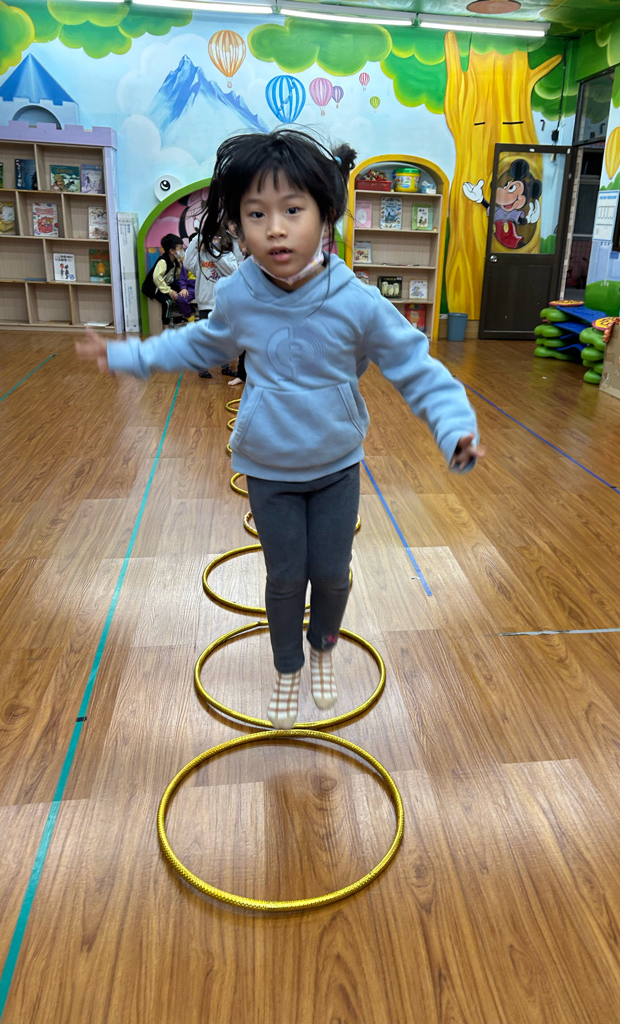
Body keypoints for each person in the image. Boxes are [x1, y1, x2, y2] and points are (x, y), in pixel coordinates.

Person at [77, 128, 482, 730]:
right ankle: (288, 666)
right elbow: (199, 344)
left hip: (336, 467)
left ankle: (323, 648)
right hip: (269, 469)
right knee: (286, 577)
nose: (275, 229)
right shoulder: (239, 295)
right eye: (256, 214)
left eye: (293, 210)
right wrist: (127, 355)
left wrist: (453, 427)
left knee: (332, 576)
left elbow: (415, 366)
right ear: (238, 225)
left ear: (324, 215)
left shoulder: (357, 301)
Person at [183, 226, 239, 377]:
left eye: (216, 238)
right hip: (205, 302)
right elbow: (187, 262)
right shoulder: (200, 256)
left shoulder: (228, 255)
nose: (214, 241)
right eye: (211, 238)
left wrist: (213, 253)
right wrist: (200, 237)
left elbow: (233, 271)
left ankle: (225, 366)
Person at [149, 234, 189, 326]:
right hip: (155, 287)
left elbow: (177, 277)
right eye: (180, 248)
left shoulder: (176, 262)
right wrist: (169, 291)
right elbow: (156, 278)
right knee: (167, 302)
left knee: (181, 295)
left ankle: (179, 319)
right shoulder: (163, 261)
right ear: (171, 251)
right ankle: (165, 327)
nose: (182, 251)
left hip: (166, 286)